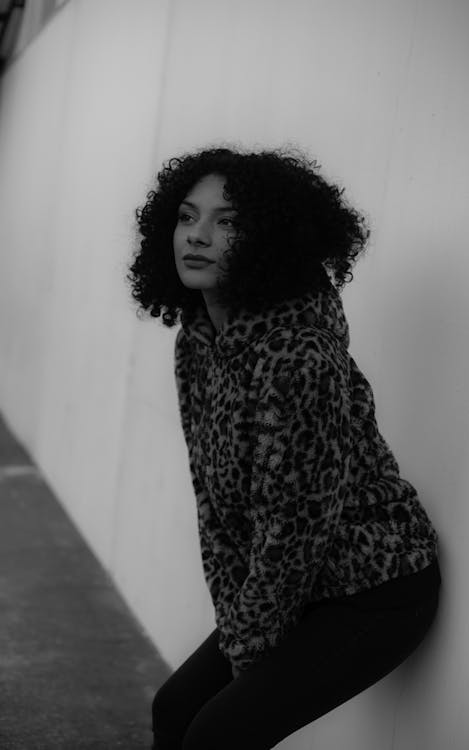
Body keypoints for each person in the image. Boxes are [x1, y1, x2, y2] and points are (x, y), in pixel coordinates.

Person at [127, 145, 441, 750]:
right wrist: (233, 616)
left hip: (373, 588)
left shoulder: (296, 357)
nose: (198, 236)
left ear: (268, 239)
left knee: (218, 734)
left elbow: (294, 528)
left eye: (227, 222)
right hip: (293, 583)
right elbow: (212, 502)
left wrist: (247, 647)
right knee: (175, 710)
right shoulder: (200, 340)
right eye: (188, 217)